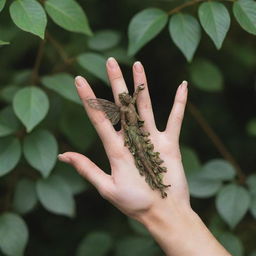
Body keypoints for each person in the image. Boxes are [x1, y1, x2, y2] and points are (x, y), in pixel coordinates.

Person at [57, 57, 231, 256]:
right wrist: (163, 212)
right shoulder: (122, 108)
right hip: (132, 135)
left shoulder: (128, 104)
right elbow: (123, 114)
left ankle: (157, 181)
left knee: (146, 158)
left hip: (138, 136)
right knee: (142, 155)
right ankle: (156, 180)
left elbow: (135, 94)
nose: (125, 100)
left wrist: (165, 211)